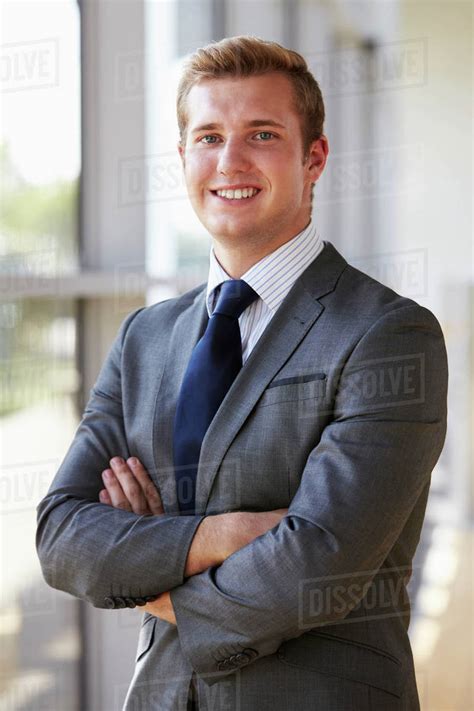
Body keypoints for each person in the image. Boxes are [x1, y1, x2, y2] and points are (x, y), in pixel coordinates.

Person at [36, 36, 448, 710]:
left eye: (261, 134)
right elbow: (60, 535)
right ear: (182, 158)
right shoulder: (144, 337)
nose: (229, 160)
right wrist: (220, 536)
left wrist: (146, 566)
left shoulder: (386, 333)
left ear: (314, 157)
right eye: (208, 136)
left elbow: (315, 567)